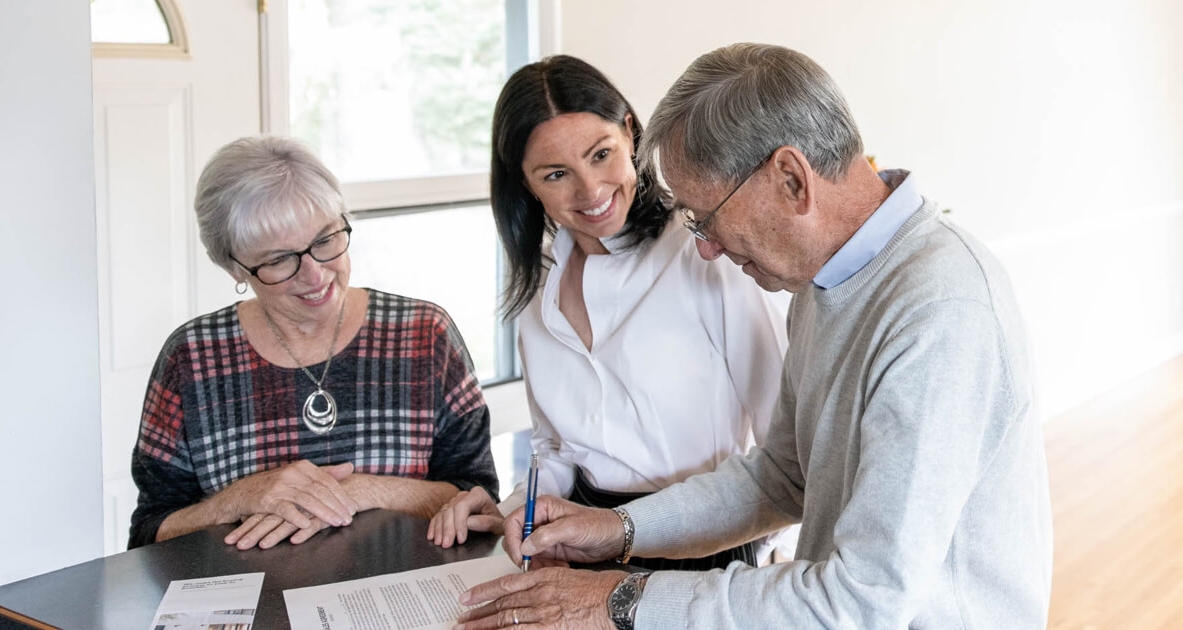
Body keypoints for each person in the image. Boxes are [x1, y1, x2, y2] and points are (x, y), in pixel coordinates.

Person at [454, 43, 1053, 629]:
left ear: (791, 179)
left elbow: (864, 601)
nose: (705, 246)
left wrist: (615, 601)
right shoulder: (823, 285)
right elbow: (782, 476)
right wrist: (619, 530)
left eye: (706, 217)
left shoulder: (938, 312)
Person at [426, 55, 788, 571]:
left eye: (601, 155)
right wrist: (514, 509)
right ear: (526, 184)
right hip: (578, 539)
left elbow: (787, 440)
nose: (591, 191)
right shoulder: (538, 284)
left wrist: (772, 552)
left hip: (702, 544)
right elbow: (557, 448)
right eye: (556, 174)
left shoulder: (706, 254)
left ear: (630, 133)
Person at [129, 136, 498, 550]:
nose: (315, 275)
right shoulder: (191, 358)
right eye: (279, 259)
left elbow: (481, 505)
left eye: (324, 240)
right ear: (234, 267)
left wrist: (360, 491)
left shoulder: (424, 334)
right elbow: (148, 535)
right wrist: (238, 499)